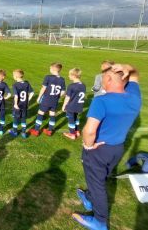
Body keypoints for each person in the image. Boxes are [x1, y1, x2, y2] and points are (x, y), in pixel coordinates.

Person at [72, 63, 141, 230]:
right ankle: (89, 197)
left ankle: (100, 221)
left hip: (98, 150)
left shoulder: (101, 101)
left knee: (98, 184)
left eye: (103, 76)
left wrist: (88, 146)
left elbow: (89, 130)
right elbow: (135, 74)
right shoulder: (133, 96)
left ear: (109, 79)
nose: (101, 78)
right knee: (100, 178)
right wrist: (126, 66)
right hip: (117, 148)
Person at [29, 62, 65, 137]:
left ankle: (36, 130)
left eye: (50, 68)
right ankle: (50, 130)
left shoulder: (48, 77)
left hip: (46, 100)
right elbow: (63, 92)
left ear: (52, 69)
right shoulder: (62, 79)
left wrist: (39, 97)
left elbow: (43, 88)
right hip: (55, 100)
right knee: (52, 114)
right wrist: (57, 97)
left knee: (40, 113)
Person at [62, 68, 87, 140]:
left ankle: (72, 134)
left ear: (73, 75)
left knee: (71, 119)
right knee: (76, 117)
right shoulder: (83, 85)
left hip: (71, 106)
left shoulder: (71, 86)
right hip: (79, 105)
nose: (68, 76)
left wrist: (64, 105)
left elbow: (67, 97)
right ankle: (77, 131)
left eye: (69, 75)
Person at [10, 69, 34, 138]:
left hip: (18, 105)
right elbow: (32, 92)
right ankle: (24, 133)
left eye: (13, 75)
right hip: (25, 104)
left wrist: (15, 104)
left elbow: (16, 96)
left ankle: (14, 132)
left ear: (16, 76)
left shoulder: (15, 85)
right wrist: (28, 100)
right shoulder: (27, 83)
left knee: (16, 118)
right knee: (23, 118)